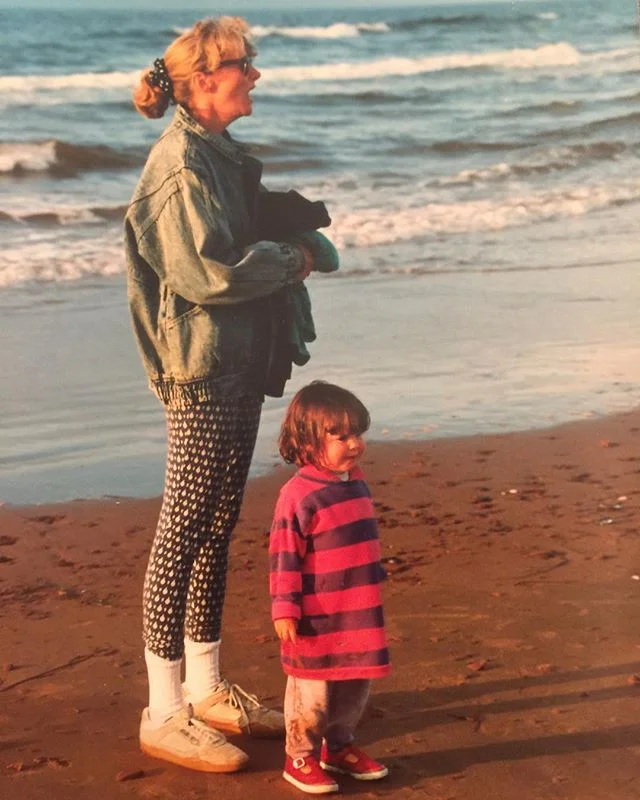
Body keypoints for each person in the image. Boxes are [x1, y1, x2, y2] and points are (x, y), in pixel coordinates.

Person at [124, 17, 337, 773]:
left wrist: (292, 224)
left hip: (241, 357)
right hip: (202, 366)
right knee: (183, 526)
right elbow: (206, 273)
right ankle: (162, 710)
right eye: (246, 64)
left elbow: (237, 234)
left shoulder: (220, 155)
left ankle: (208, 687)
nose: (256, 75)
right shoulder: (180, 163)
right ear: (205, 77)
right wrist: (294, 258)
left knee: (217, 521)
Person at [269, 381, 391, 794]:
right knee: (314, 693)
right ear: (306, 442)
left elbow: (360, 543)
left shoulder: (355, 483)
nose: (354, 444)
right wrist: (285, 609)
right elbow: (284, 555)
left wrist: (374, 576)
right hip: (316, 619)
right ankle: (299, 754)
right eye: (340, 436)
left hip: (358, 610)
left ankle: (339, 747)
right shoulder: (298, 496)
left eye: (358, 433)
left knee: (355, 684)